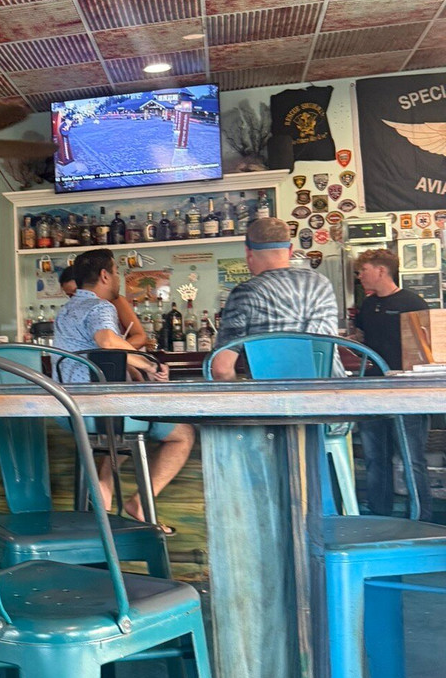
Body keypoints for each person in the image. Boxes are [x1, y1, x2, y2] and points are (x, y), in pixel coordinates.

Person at [53, 248, 195, 525]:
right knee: (183, 434)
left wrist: (134, 365)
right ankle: (140, 505)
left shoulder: (65, 311)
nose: (118, 278)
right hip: (101, 410)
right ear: (105, 275)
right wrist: (149, 365)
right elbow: (106, 341)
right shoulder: (100, 307)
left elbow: (98, 351)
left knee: (118, 430)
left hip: (69, 411)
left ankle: (103, 493)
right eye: (117, 272)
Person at [352, 248, 432, 520]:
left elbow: (426, 348)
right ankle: (379, 515)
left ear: (381, 271)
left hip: (407, 390)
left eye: (363, 270)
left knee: (412, 458)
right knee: (375, 457)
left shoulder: (413, 303)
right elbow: (360, 339)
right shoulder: (367, 305)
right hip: (371, 388)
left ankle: (422, 517)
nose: (360, 275)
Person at [211, 217, 340, 381]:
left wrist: (242, 395)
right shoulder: (322, 283)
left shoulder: (245, 293)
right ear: (290, 249)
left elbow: (222, 369)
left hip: (276, 394)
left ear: (248, 252)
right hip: (335, 391)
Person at [61, 265, 147, 348]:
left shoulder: (114, 301)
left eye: (77, 292)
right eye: (70, 295)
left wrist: (116, 351)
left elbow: (140, 337)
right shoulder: (69, 311)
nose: (77, 297)